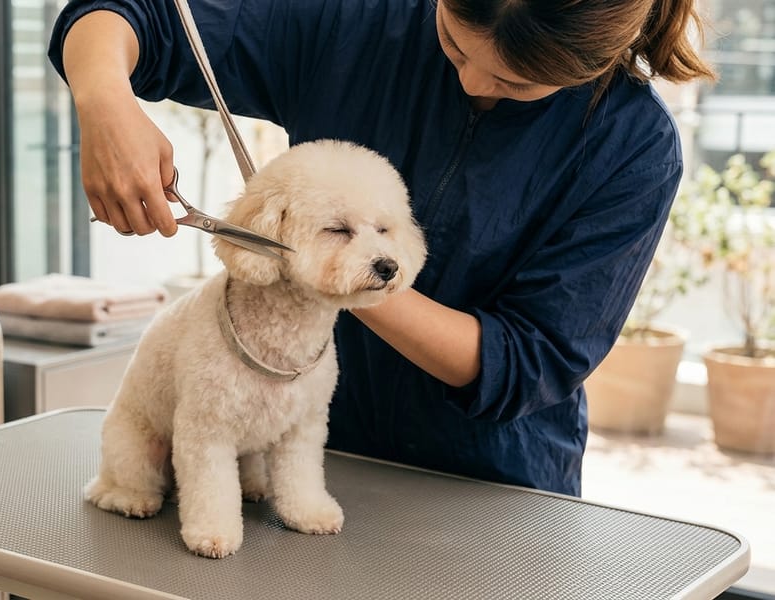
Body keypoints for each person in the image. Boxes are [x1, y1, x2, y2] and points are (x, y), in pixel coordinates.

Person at [46, 0, 715, 496]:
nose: (473, 84)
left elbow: (528, 360)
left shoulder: (631, 146)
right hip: (296, 463)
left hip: (489, 493)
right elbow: (140, 18)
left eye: (515, 84)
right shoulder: (353, 23)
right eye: (454, 44)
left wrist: (336, 272)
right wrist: (104, 98)